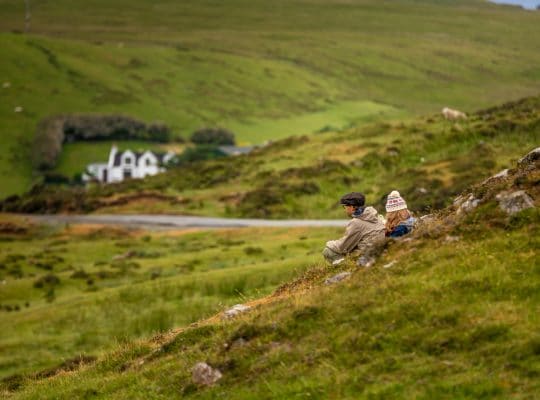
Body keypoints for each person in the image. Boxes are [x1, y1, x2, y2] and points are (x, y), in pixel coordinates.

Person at [323, 192, 386, 265]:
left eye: (345, 207)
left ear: (352, 207)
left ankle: (344, 268)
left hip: (364, 256)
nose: (345, 210)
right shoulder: (376, 217)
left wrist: (329, 243)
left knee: (328, 251)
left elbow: (343, 247)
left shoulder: (356, 222)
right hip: (378, 253)